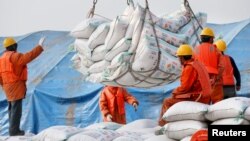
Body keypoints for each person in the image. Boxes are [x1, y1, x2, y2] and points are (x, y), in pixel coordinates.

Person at [0, 37, 45, 136]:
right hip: (15, 86)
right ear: (13, 46)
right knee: (16, 110)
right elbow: (28, 57)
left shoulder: (2, 58)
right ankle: (14, 131)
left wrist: (4, 86)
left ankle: (12, 130)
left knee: (12, 109)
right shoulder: (14, 57)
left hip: (8, 87)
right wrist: (39, 47)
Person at [158, 44, 211, 126]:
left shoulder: (189, 67)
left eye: (179, 57)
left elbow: (185, 88)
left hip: (198, 97)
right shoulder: (197, 64)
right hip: (205, 96)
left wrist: (174, 92)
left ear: (182, 58)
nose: (179, 59)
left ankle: (165, 125)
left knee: (167, 102)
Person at [194, 27, 224, 104]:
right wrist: (218, 77)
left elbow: (192, 66)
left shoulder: (195, 50)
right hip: (214, 78)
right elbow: (221, 66)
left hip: (200, 79)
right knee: (217, 104)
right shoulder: (216, 50)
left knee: (201, 103)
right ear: (211, 39)